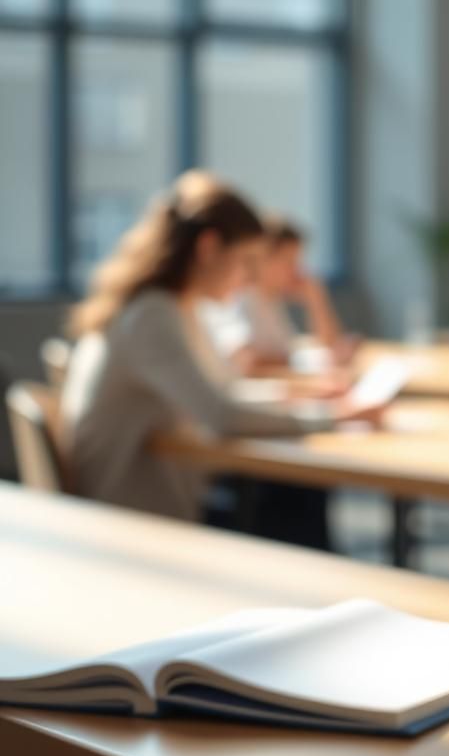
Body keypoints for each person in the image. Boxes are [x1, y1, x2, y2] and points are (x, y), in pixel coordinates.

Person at [61, 172, 376, 548]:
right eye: (246, 261)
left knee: (297, 499)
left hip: (151, 503)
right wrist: (334, 418)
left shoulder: (173, 307)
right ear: (209, 247)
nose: (249, 279)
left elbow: (225, 390)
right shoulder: (153, 315)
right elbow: (221, 414)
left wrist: (308, 400)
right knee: (297, 505)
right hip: (133, 523)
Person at [205, 216, 358, 374]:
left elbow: (329, 345)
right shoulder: (238, 298)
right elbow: (248, 361)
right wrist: (305, 363)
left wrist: (316, 300)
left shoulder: (271, 301)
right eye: (289, 262)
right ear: (263, 260)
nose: (297, 271)